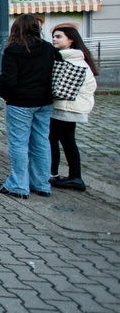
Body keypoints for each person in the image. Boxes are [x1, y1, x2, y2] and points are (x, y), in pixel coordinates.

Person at [0, 13, 58, 199]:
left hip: (20, 102)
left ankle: (18, 185)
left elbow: (8, 80)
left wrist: (5, 95)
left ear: (17, 28)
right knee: (41, 142)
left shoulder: (14, 49)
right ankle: (41, 184)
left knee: (18, 143)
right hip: (44, 101)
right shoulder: (48, 48)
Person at [49, 25, 98, 192]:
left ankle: (53, 174)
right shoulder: (77, 57)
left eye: (58, 36)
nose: (54, 39)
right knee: (67, 140)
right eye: (54, 36)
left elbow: (59, 89)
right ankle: (74, 176)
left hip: (66, 107)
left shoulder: (69, 59)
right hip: (70, 107)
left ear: (70, 39)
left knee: (52, 139)